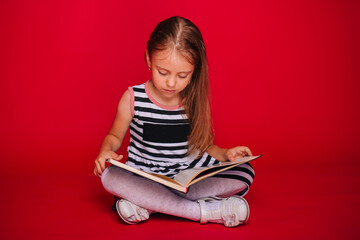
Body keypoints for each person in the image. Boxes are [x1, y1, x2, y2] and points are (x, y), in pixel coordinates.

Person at [94, 16, 255, 227]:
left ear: (194, 70)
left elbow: (204, 145)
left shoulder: (194, 99)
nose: (171, 82)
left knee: (245, 171)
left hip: (187, 174)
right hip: (147, 175)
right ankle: (204, 211)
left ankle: (149, 203)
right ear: (148, 59)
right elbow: (114, 136)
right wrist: (106, 151)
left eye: (182, 75)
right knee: (110, 177)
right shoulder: (133, 98)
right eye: (163, 72)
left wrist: (227, 154)